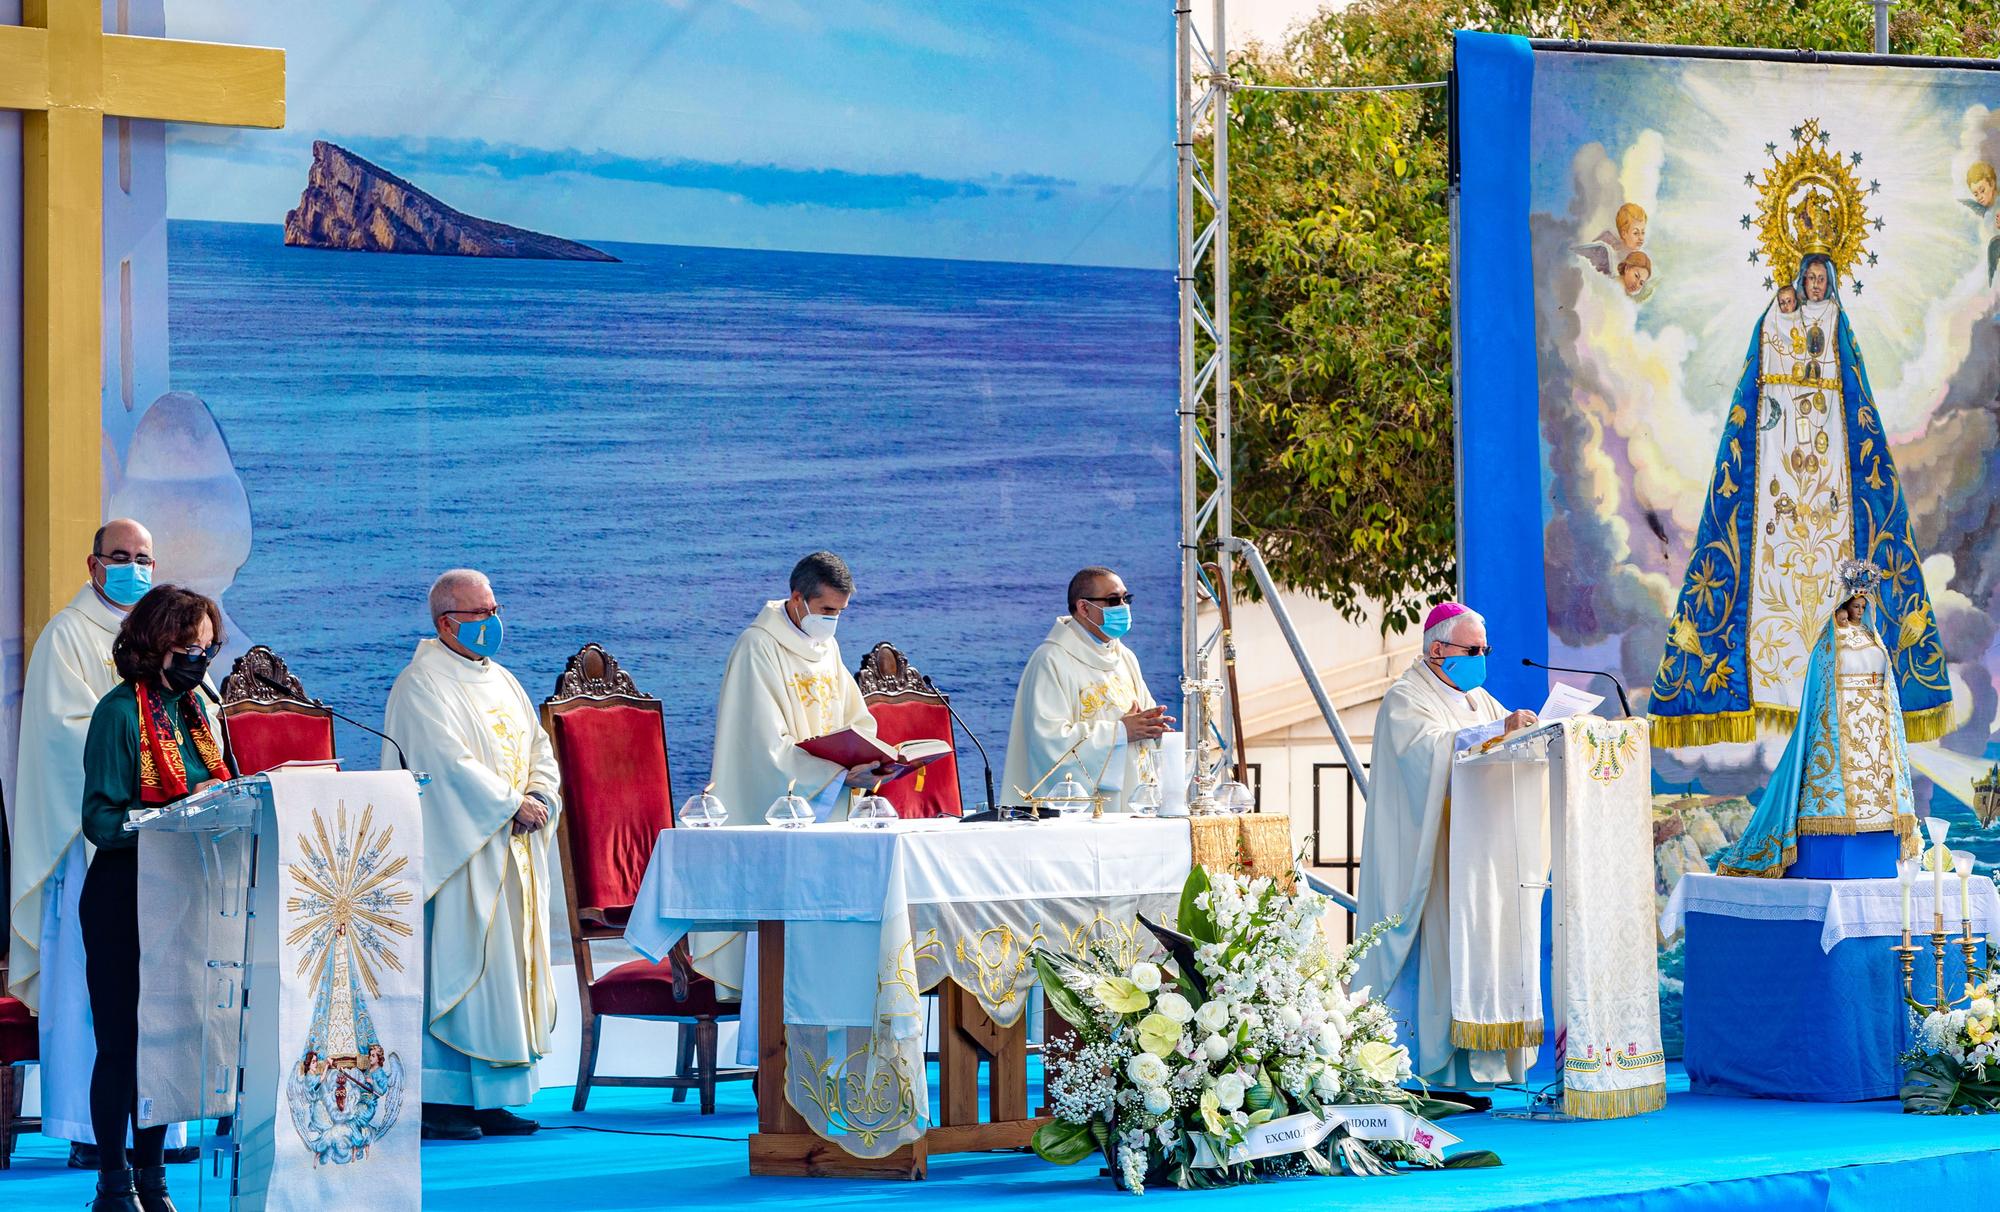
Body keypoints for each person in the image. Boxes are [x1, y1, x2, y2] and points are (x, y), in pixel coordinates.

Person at [1652, 250, 1949, 748]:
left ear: (1829, 283)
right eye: (1805, 279)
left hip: (1831, 457)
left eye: (1819, 279)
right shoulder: (1773, 319)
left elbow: (1854, 393)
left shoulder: (1836, 322)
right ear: (1794, 282)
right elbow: (1761, 378)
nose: (1812, 286)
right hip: (1779, 457)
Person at [8, 519, 193, 1169]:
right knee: (97, 999)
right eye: (123, 557)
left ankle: (157, 1134)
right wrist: (148, 756)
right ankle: (94, 1137)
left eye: (146, 557)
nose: (135, 569)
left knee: (160, 994)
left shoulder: (162, 639)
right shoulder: (68, 635)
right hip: (94, 849)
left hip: (163, 849)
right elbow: (66, 736)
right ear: (94, 566)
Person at [381, 569, 561, 1142]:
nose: (492, 622)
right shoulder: (420, 684)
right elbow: (444, 765)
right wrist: (510, 804)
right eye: (480, 613)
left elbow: (539, 746)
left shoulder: (503, 680)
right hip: (459, 855)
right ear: (446, 622)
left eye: (494, 608)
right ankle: (442, 1098)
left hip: (510, 847)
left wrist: (538, 794)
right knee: (461, 966)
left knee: (504, 974)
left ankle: (493, 1097)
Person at [78, 584, 234, 1211]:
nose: (200, 657)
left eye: (208, 646)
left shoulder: (201, 711)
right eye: (189, 645)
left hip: (183, 892)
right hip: (124, 894)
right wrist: (165, 818)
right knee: (124, 1043)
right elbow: (100, 819)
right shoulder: (118, 713)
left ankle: (154, 1178)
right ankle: (114, 1185)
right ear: (153, 642)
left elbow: (221, 787)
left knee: (168, 1038)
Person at [1350, 602, 1538, 1097]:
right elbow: (1429, 753)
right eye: (1473, 650)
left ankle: (1470, 1065)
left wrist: (1533, 733)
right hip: (1430, 856)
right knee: (1434, 951)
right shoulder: (1406, 698)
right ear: (1439, 649)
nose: (1482, 658)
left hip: (1476, 857)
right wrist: (1500, 732)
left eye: (1485, 649)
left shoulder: (1477, 699)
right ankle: (1420, 1068)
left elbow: (1500, 740)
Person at [699, 552, 885, 997]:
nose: (833, 622)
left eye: (840, 613)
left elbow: (856, 721)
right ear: (798, 599)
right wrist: (838, 774)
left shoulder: (827, 648)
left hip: (830, 811)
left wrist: (870, 760)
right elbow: (764, 750)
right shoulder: (758, 647)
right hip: (784, 816)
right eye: (826, 611)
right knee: (786, 970)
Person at [1714, 560, 1920, 879]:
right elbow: (1821, 691)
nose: (1859, 610)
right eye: (1854, 604)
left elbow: (1886, 686)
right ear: (1843, 604)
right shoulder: (1830, 644)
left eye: (1864, 605)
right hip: (1841, 726)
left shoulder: (1873, 638)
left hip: (1874, 727)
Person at [1001, 566, 1171, 812]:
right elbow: (1049, 743)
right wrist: (1120, 732)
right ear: (1083, 608)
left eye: (1126, 598)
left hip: (1129, 803)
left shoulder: (1124, 657)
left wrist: (1154, 726)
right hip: (1079, 814)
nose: (1123, 607)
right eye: (1114, 600)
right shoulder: (1051, 660)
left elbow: (1142, 720)